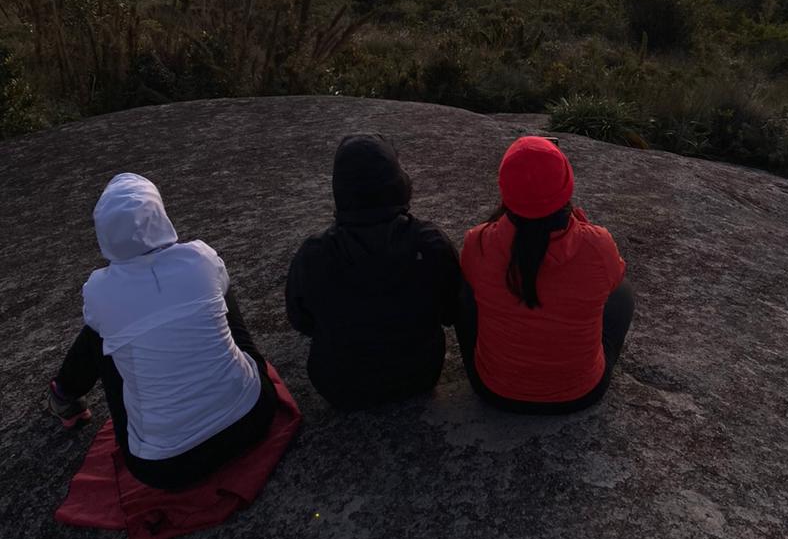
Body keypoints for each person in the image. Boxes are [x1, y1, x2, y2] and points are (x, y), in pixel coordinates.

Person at [47, 172, 278, 491]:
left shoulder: (100, 291)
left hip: (165, 467)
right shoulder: (200, 257)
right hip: (254, 415)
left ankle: (64, 394)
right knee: (217, 289)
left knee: (102, 335)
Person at [457, 136, 634, 414]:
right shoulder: (597, 245)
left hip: (493, 389)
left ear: (504, 188)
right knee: (622, 292)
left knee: (466, 288)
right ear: (567, 185)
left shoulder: (477, 242)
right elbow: (609, 278)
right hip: (580, 393)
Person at [285, 134, 461, 410]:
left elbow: (301, 321)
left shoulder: (314, 253)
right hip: (420, 376)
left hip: (339, 388)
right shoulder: (430, 242)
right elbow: (452, 311)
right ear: (399, 184)